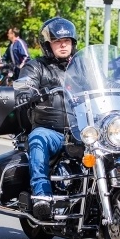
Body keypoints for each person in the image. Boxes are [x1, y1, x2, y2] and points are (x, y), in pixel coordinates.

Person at [13, 17, 77, 220]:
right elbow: (24, 81)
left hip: (84, 131)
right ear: (48, 45)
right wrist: (24, 89)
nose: (64, 44)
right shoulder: (36, 66)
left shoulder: (81, 67)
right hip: (52, 131)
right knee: (37, 138)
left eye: (67, 40)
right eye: (58, 41)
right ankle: (42, 195)